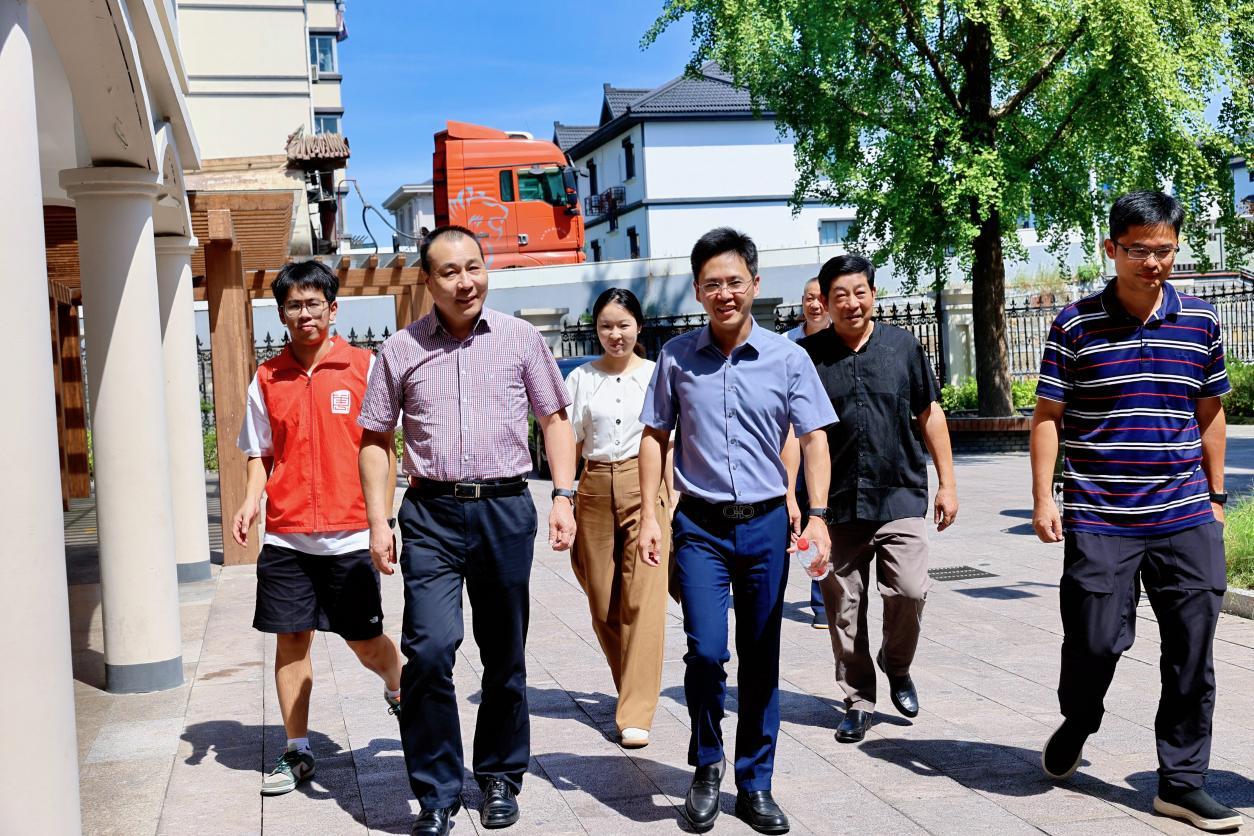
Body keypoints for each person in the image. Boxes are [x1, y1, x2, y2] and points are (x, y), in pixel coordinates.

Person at [357, 225, 577, 836]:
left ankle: (500, 775)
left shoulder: (520, 338)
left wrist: (563, 495)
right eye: (450, 271)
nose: (465, 281)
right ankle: (436, 792)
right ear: (428, 281)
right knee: (428, 651)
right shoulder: (400, 349)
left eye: (473, 267)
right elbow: (375, 439)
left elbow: (555, 420)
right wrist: (378, 520)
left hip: (505, 508)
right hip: (430, 512)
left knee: (504, 652)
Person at [1031, 191, 1240, 832]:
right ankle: (1080, 717)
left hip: (1185, 513)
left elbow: (1210, 412)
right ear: (1112, 248)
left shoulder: (1201, 322)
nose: (1154, 262)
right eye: (1139, 250)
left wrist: (1216, 497)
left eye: (1165, 250)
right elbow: (1048, 416)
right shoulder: (1075, 324)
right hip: (1101, 515)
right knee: (1095, 641)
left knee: (1192, 651)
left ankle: (1181, 783)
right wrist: (1043, 498)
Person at [638, 227, 837, 835]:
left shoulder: (788, 357)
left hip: (766, 525)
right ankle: (706, 765)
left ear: (754, 283)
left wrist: (818, 515)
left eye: (734, 281)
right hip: (699, 525)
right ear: (697, 290)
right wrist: (650, 514)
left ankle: (755, 782)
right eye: (711, 284)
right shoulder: (676, 357)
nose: (724, 293)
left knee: (760, 653)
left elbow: (814, 438)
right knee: (705, 651)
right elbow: (655, 436)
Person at [231, 260, 403, 796]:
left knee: (364, 641)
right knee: (291, 640)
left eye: (313, 303)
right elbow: (260, 453)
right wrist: (250, 500)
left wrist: (383, 521)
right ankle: (296, 749)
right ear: (281, 314)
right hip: (287, 535)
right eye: (293, 305)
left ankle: (398, 684)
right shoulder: (268, 377)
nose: (304, 313)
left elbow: (384, 449)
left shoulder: (365, 367)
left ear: (333, 308)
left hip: (350, 532)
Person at [799, 254, 957, 744]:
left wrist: (947, 483)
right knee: (843, 608)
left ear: (873, 294)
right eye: (840, 295)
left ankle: (897, 663)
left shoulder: (903, 347)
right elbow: (795, 431)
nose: (852, 303)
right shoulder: (807, 358)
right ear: (825, 302)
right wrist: (793, 499)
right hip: (835, 503)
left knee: (909, 590)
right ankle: (858, 700)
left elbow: (930, 414)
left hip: (899, 492)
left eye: (860, 292)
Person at [567, 287, 673, 750]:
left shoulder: (655, 374)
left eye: (623, 325)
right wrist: (563, 498)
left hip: (643, 485)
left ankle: (635, 710)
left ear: (638, 327)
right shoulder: (580, 379)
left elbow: (669, 441)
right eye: (606, 326)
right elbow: (570, 443)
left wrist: (671, 499)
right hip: (592, 487)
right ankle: (630, 683)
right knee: (603, 603)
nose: (615, 334)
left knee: (643, 600)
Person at [784, 276, 833, 629]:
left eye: (820, 298)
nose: (814, 305)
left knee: (822, 517)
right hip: (793, 446)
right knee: (799, 519)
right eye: (808, 298)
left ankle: (824, 601)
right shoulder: (787, 344)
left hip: (828, 444)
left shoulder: (839, 341)